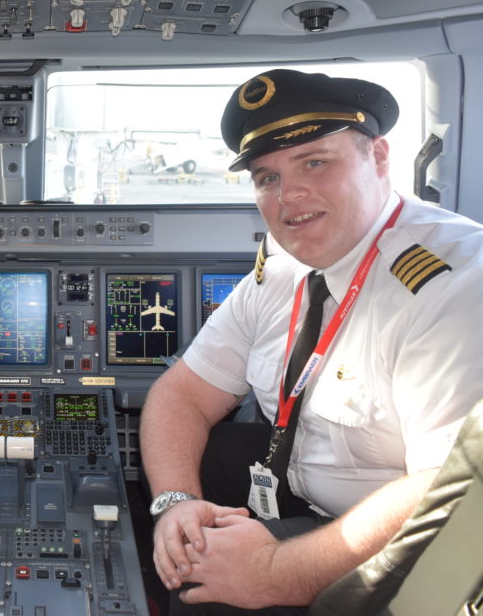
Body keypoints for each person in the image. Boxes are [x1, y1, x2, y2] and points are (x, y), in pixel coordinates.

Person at [140, 69, 483, 614]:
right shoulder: (282, 271)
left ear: (378, 157)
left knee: (196, 590)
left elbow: (449, 492)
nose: (289, 197)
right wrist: (176, 504)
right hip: (299, 483)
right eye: (267, 177)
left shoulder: (457, 282)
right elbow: (182, 394)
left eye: (315, 162)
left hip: (409, 541)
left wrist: (274, 572)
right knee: (161, 499)